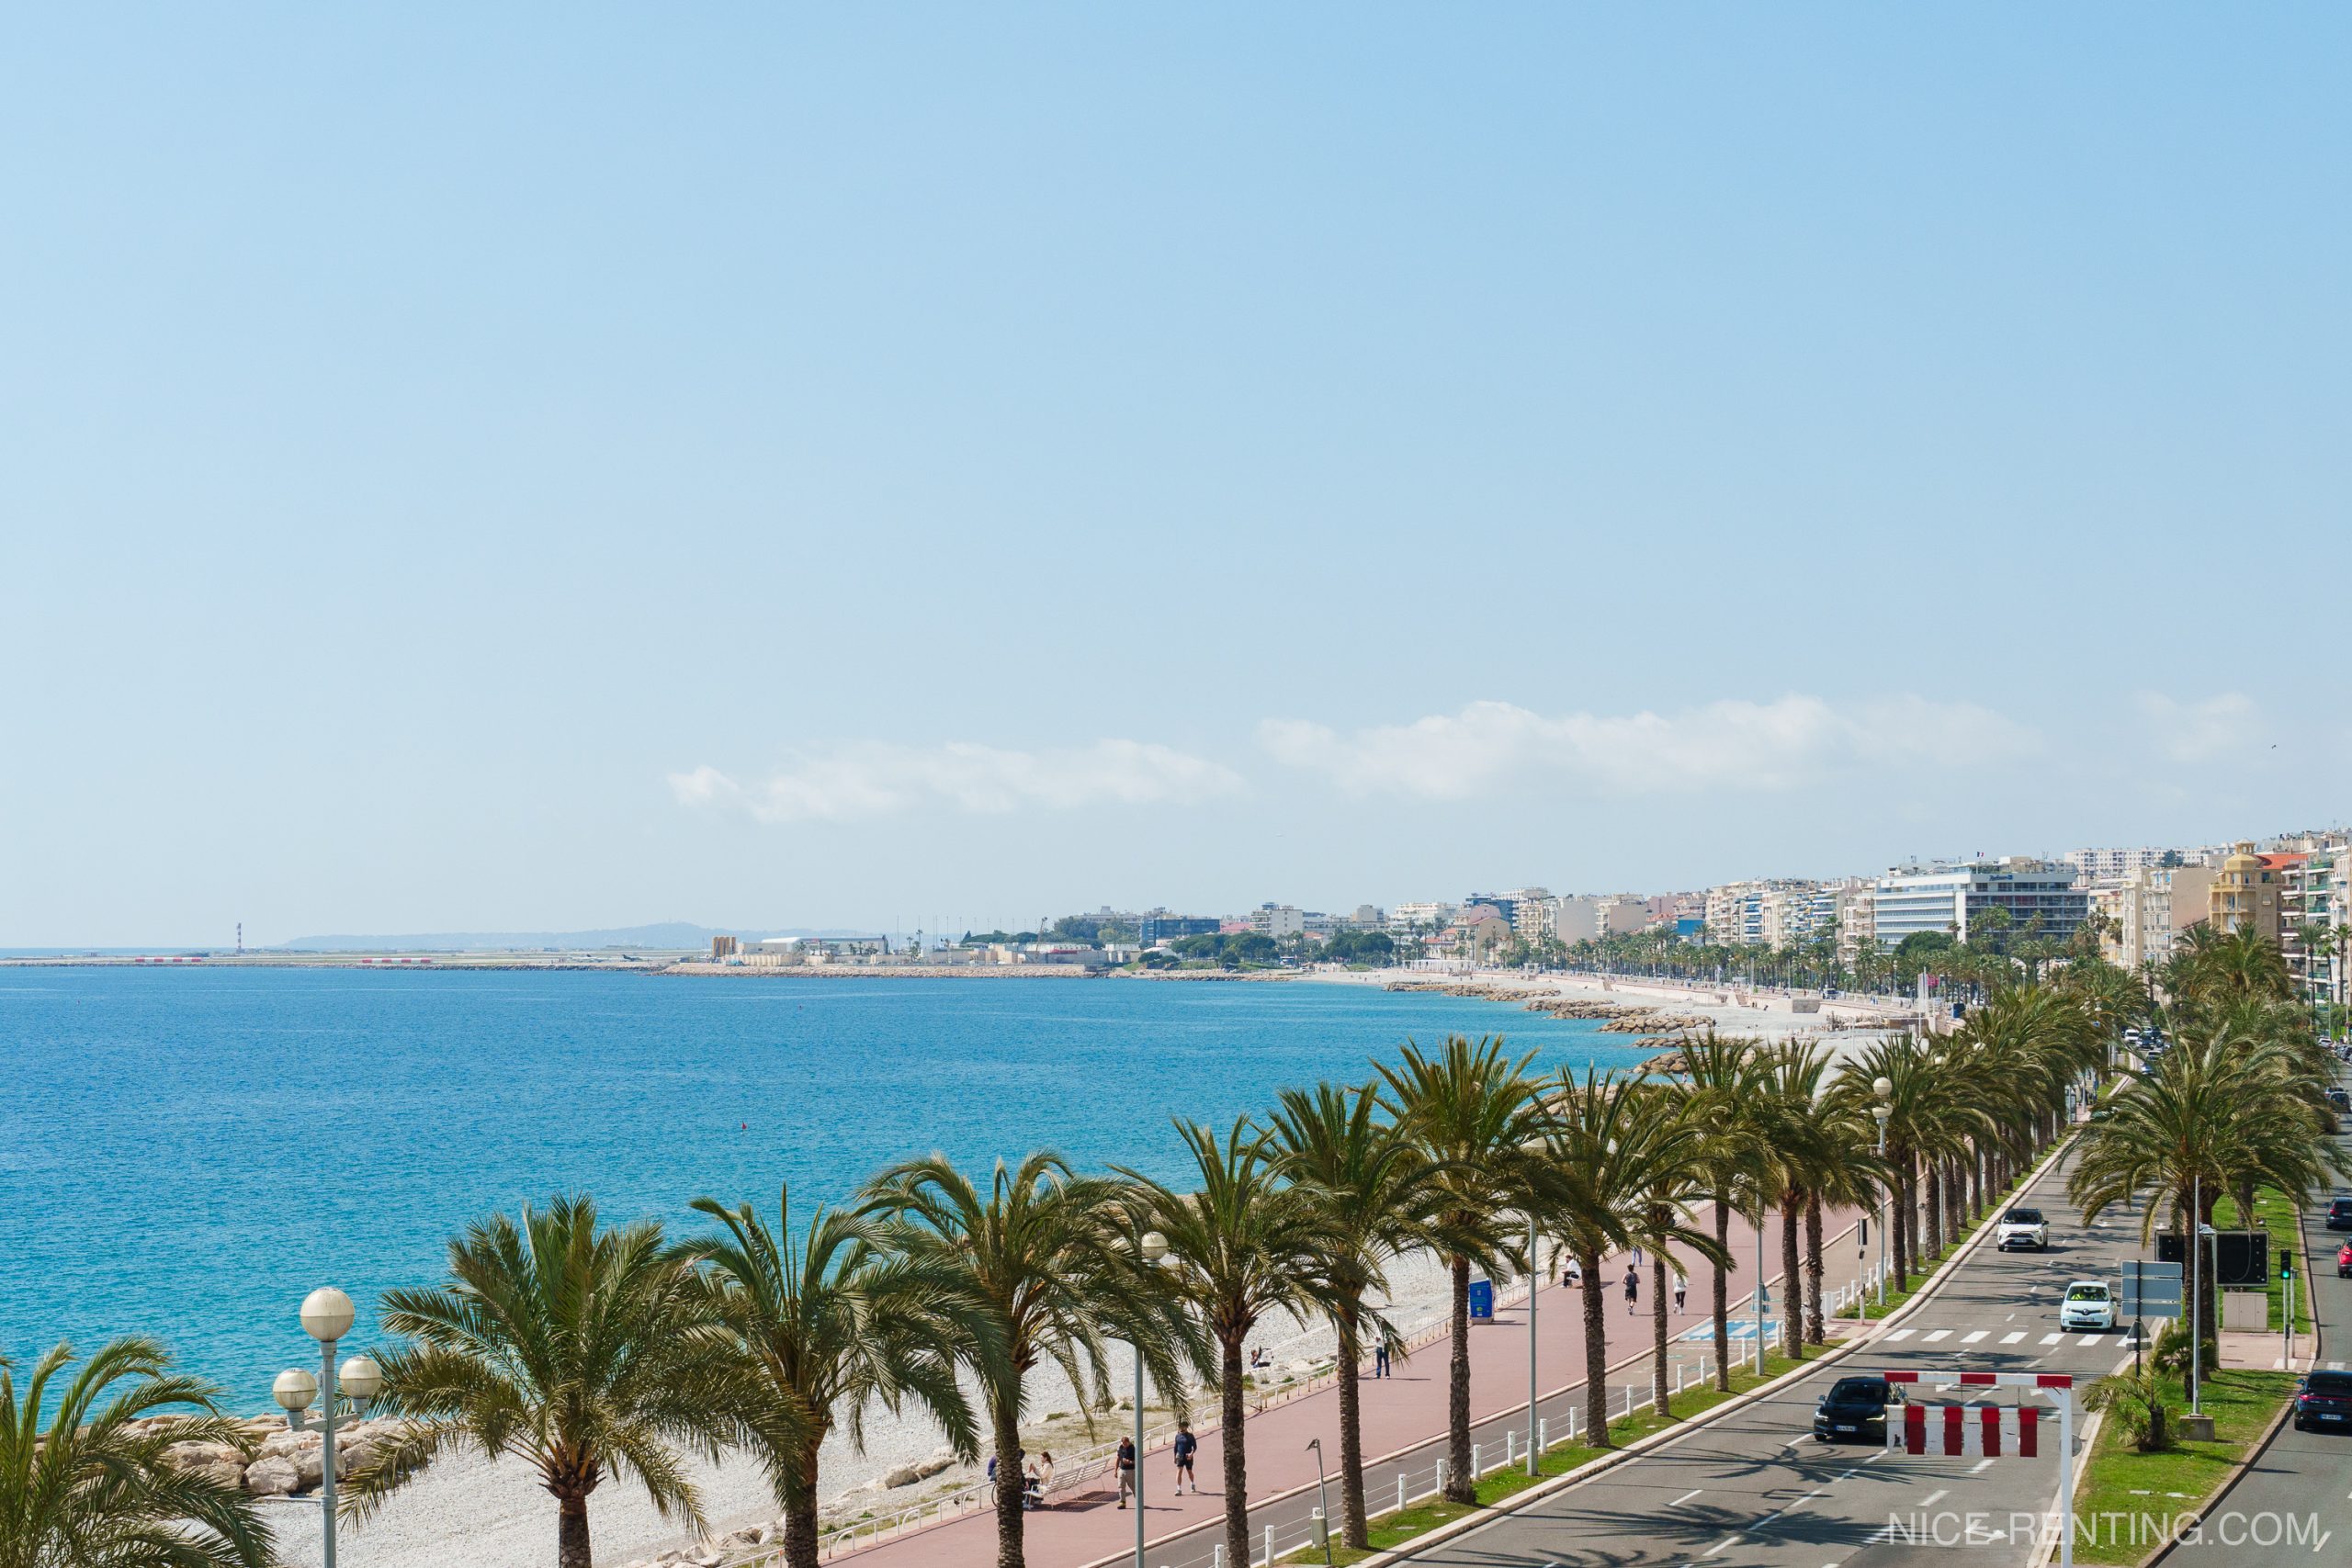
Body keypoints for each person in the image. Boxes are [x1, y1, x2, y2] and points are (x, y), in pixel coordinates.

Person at [1171, 1423, 1197, 1494]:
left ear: (1186, 1427)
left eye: (1182, 1427)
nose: (1181, 1428)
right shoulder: (1177, 1436)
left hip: (1188, 1456)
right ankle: (1178, 1489)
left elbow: (1194, 1447)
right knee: (1179, 1471)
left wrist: (1191, 1454)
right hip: (1180, 1456)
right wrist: (1174, 1457)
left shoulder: (1190, 1436)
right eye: (1180, 1427)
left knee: (1189, 1472)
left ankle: (1192, 1483)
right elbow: (1175, 1448)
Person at [1115, 1436, 1136, 1508]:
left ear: (1128, 1442)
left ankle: (1139, 1500)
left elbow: (1137, 1461)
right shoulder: (1120, 1448)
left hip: (1130, 1471)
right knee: (1121, 1487)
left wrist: (1129, 1462)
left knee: (1134, 1487)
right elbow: (1118, 1458)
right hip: (1121, 1470)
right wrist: (1115, 1470)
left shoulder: (1133, 1449)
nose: (1124, 1445)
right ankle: (1122, 1503)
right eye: (1123, 1444)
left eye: (1126, 1444)